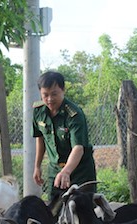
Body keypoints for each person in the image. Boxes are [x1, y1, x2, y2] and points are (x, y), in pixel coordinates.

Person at [33, 71, 96, 201]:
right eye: (45, 95)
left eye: (54, 94)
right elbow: (40, 139)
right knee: (54, 210)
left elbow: (78, 147)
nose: (50, 99)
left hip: (80, 171)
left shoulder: (74, 114)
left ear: (63, 90)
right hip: (55, 170)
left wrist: (66, 171)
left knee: (82, 211)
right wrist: (37, 166)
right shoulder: (39, 112)